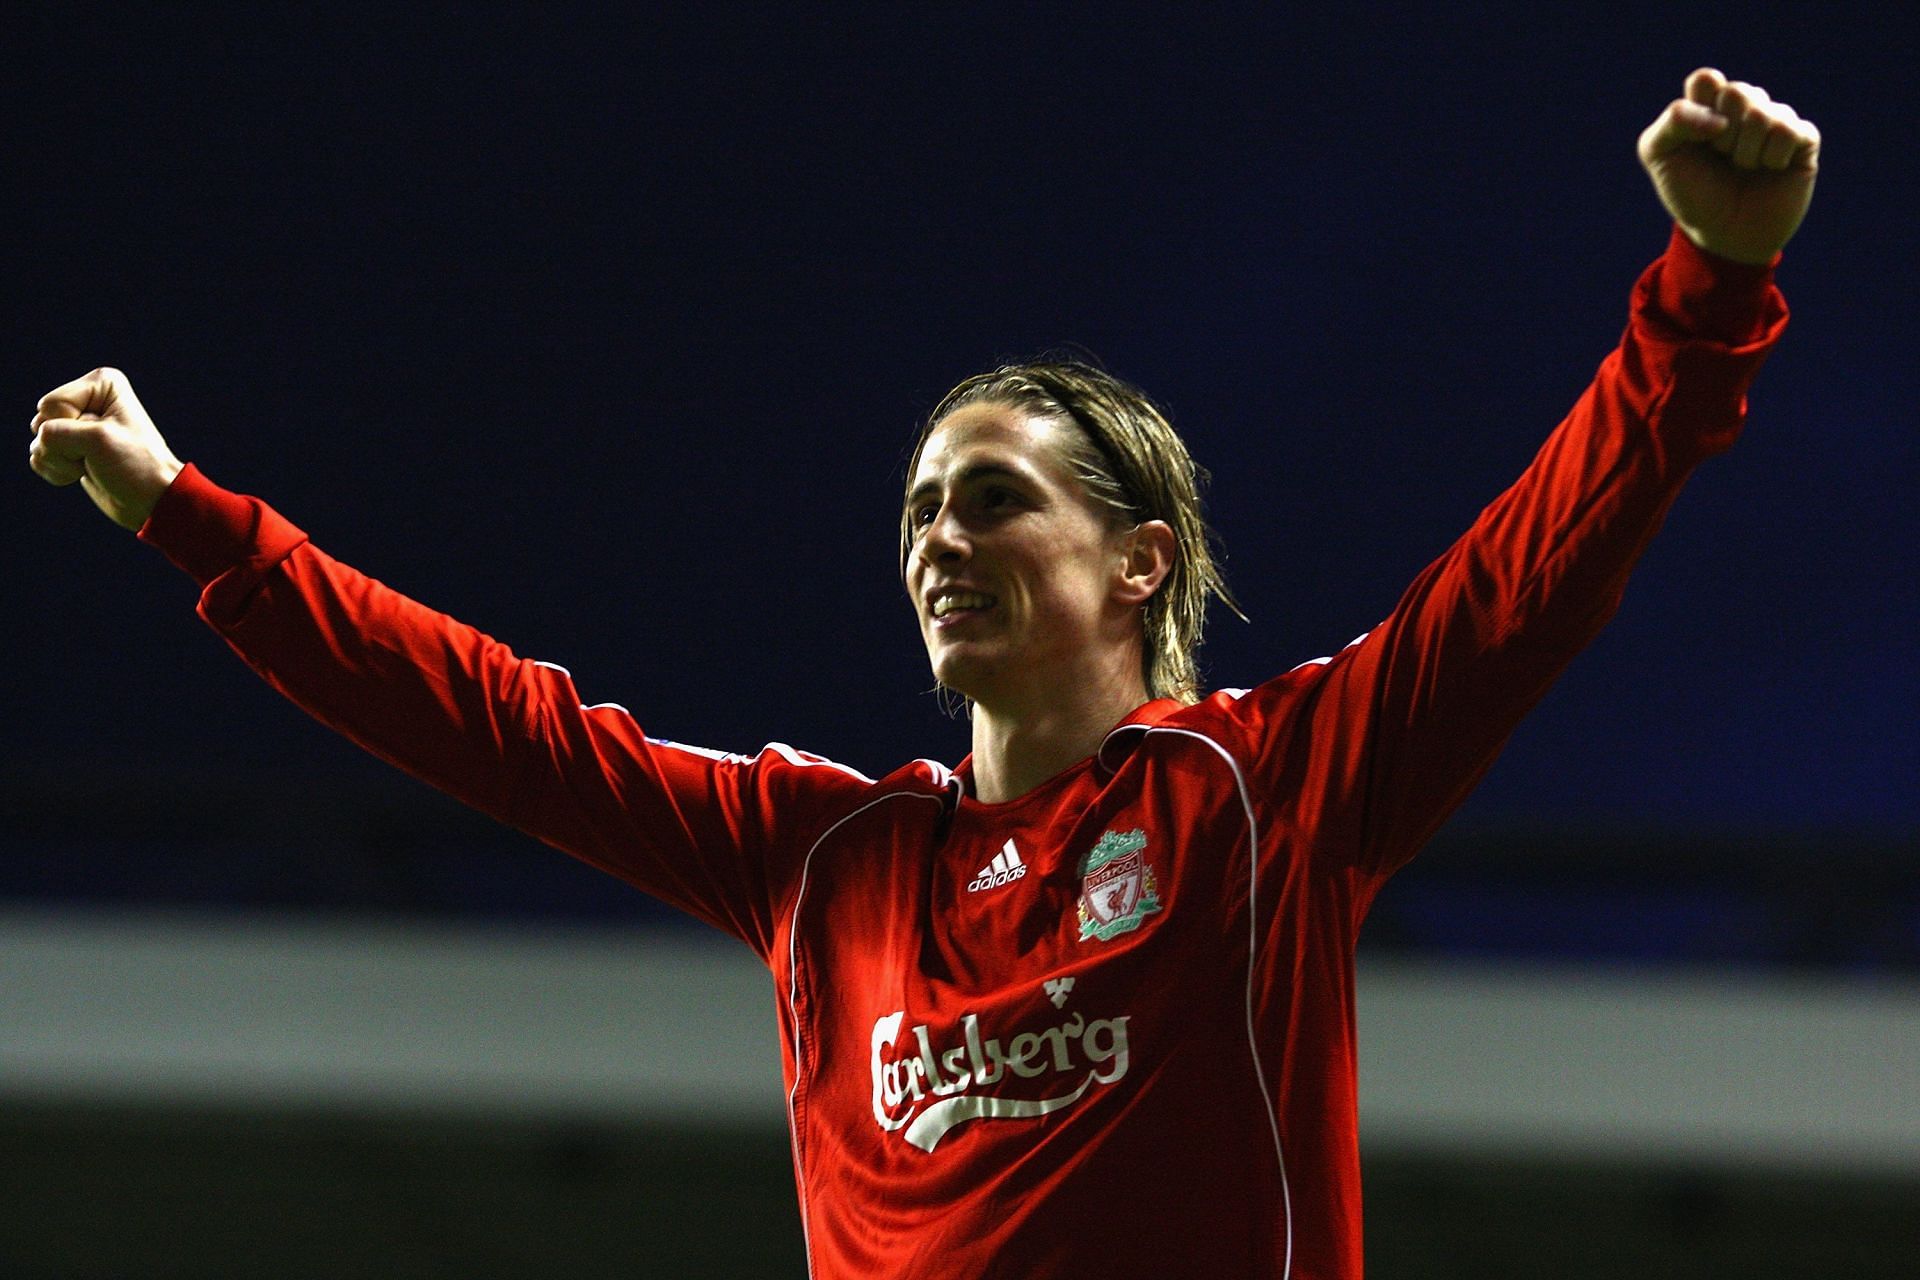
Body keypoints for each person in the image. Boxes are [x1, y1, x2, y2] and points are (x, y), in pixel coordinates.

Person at [29, 68, 1818, 1279]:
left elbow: (1524, 583)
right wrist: (190, 518)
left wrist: (1710, 285)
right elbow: (500, 727)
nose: (936, 541)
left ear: (1141, 559)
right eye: (914, 513)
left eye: (990, 499)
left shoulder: (1259, 796)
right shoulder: (828, 865)